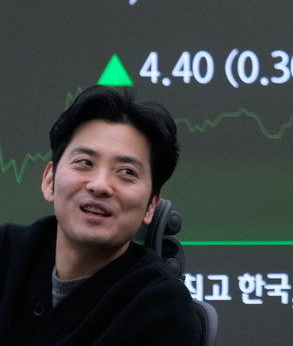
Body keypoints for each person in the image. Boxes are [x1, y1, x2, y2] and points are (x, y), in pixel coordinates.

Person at [0, 85, 201, 345]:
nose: (100, 185)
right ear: (50, 180)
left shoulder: (161, 308)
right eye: (85, 163)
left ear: (152, 204)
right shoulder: (6, 253)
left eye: (127, 172)